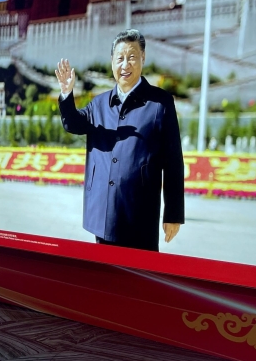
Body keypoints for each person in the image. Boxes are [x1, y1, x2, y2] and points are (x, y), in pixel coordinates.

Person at [55, 29, 185, 252]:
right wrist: (67, 94)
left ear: (143, 58)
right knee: (104, 281)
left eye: (132, 57)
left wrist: (173, 214)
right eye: (120, 58)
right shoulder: (99, 104)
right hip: (103, 212)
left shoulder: (160, 103)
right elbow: (74, 124)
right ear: (112, 62)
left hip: (140, 214)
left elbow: (173, 161)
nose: (125, 65)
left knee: (139, 281)